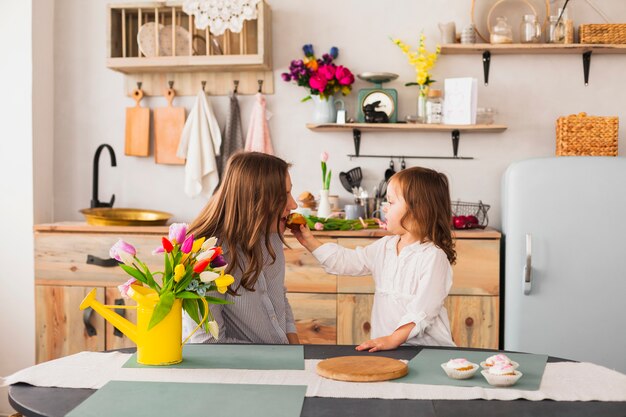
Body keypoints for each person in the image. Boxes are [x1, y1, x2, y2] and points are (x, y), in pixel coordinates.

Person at [292, 166, 456, 351]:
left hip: (428, 351)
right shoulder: (385, 247)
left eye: (391, 202)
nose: (384, 208)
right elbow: (347, 261)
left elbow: (423, 311)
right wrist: (308, 240)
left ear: (418, 209)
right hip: (389, 347)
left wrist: (393, 339)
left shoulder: (433, 257)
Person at [183, 151, 300, 344]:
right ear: (254, 200)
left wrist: (297, 352)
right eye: (283, 195)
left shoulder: (272, 237)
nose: (293, 204)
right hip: (232, 371)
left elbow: (278, 298)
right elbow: (207, 343)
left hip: (277, 361)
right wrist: (277, 357)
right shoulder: (204, 255)